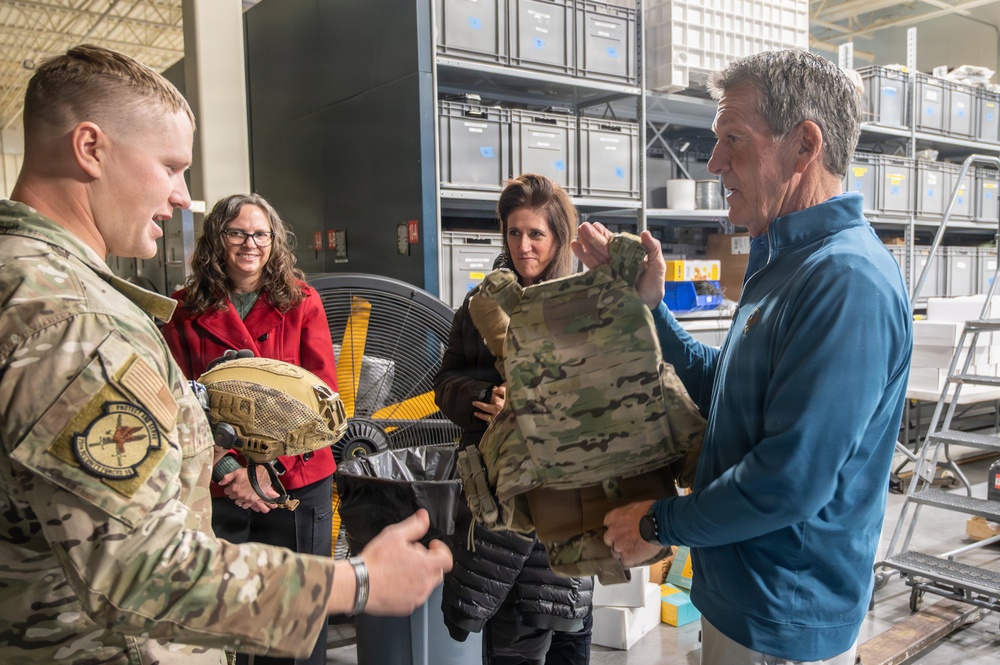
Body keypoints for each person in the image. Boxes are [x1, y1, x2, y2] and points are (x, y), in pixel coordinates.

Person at [0, 44, 451, 664]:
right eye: (169, 166)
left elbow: (319, 396)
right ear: (90, 148)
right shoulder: (77, 324)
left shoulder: (24, 282)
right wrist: (359, 582)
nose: (181, 197)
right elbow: (136, 568)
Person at [575, 50, 913, 664]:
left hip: (784, 619)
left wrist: (659, 523)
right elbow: (723, 389)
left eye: (733, 139)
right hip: (741, 601)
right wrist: (652, 309)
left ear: (804, 146)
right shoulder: (781, 263)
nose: (714, 163)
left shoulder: (844, 282)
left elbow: (791, 482)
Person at [161, 193, 338, 665]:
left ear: (275, 241)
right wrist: (228, 470)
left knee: (293, 622)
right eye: (237, 233)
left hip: (295, 483)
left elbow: (323, 399)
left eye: (260, 234)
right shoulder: (182, 309)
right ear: (217, 240)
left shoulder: (302, 302)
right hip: (219, 489)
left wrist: (263, 470)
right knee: (224, 618)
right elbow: (175, 402)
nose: (249, 244)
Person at [434, 173, 593, 665]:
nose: (523, 246)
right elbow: (445, 383)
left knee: (566, 628)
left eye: (536, 234)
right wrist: (481, 396)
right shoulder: (479, 303)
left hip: (564, 500)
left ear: (558, 238)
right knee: (512, 641)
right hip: (499, 499)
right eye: (514, 232)